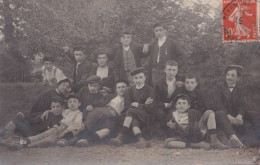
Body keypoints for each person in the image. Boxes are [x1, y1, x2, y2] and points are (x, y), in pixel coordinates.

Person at [213, 65, 260, 148]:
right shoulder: (219, 87)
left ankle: (257, 138)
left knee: (255, 114)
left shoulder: (241, 89)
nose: (229, 77)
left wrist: (240, 116)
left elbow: (243, 105)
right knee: (218, 113)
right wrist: (229, 116)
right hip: (224, 116)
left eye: (232, 75)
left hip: (237, 116)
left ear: (238, 78)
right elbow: (217, 104)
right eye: (228, 75)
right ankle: (233, 137)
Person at [74, 80, 128, 147]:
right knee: (93, 116)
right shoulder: (111, 96)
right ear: (116, 89)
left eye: (123, 87)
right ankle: (74, 138)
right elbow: (100, 102)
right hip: (103, 111)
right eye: (119, 87)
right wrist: (91, 105)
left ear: (127, 88)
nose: (121, 89)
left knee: (107, 130)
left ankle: (86, 140)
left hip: (113, 117)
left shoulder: (129, 99)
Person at [17, 94, 84, 148]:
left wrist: (64, 132)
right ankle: (26, 141)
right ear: (67, 104)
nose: (72, 104)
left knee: (48, 140)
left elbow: (76, 125)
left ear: (79, 104)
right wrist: (48, 111)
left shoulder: (79, 114)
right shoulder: (67, 111)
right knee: (43, 135)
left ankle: (28, 146)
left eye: (75, 101)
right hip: (57, 129)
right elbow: (57, 111)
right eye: (70, 102)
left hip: (65, 132)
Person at [110, 67, 155, 148]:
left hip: (145, 115)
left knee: (131, 111)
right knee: (132, 117)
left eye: (140, 77)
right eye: (136, 78)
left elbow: (150, 108)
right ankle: (141, 140)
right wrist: (143, 105)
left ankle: (120, 136)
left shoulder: (150, 90)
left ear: (145, 78)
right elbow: (127, 106)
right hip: (132, 115)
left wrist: (138, 105)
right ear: (133, 79)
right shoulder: (130, 90)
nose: (138, 80)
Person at [182, 74, 229, 149]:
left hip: (198, 124)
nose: (189, 85)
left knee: (210, 112)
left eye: (192, 82)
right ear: (184, 83)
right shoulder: (181, 94)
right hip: (186, 126)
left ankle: (214, 141)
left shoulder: (198, 94)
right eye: (187, 82)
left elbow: (203, 108)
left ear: (196, 84)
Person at [0, 96, 64, 149]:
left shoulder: (62, 117)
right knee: (18, 119)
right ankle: (4, 137)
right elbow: (35, 120)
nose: (55, 109)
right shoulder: (49, 113)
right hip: (32, 129)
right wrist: (24, 117)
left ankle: (4, 138)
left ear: (62, 107)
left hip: (35, 134)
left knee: (16, 121)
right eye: (53, 107)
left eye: (58, 106)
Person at [153, 60, 184, 138]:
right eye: (169, 69)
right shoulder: (158, 83)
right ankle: (160, 131)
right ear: (165, 70)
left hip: (175, 106)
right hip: (161, 106)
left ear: (177, 71)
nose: (171, 72)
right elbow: (155, 99)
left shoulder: (180, 82)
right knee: (160, 113)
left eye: (174, 70)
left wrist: (183, 86)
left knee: (172, 113)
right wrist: (166, 105)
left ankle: (170, 133)